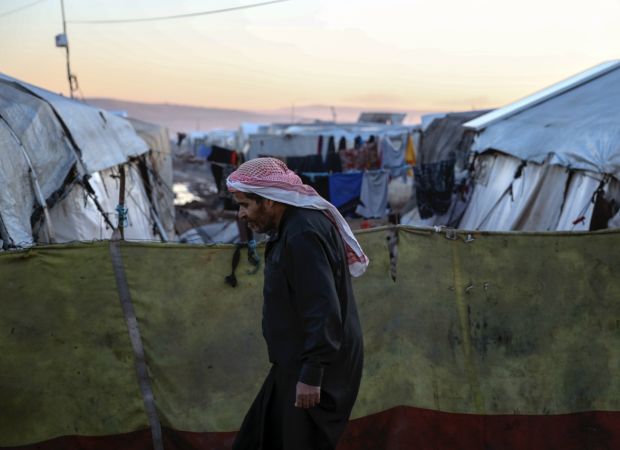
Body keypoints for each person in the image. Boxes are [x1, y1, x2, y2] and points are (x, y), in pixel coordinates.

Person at [226, 157, 368, 450]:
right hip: (295, 363)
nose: (241, 215)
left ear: (269, 200)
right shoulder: (292, 227)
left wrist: (312, 374)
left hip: (316, 370)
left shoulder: (303, 233)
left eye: (245, 205)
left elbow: (322, 308)